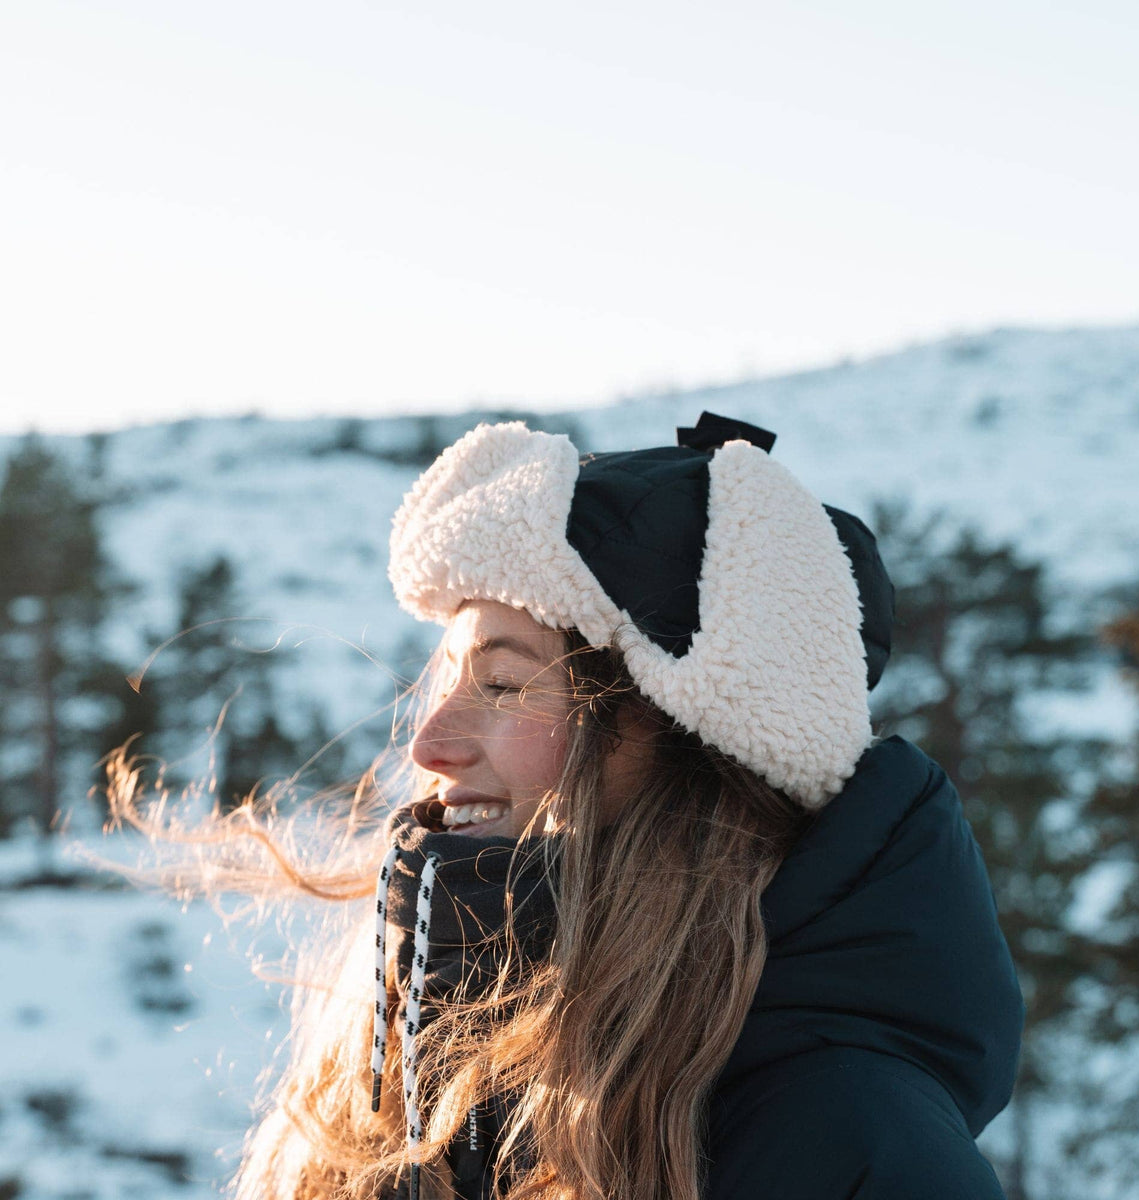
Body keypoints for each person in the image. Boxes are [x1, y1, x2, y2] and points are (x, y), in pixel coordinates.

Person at [110, 411, 1024, 1200]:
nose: (428, 745)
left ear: (691, 743)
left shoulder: (856, 1145)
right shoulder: (447, 1056)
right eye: (448, 679)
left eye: (504, 686)